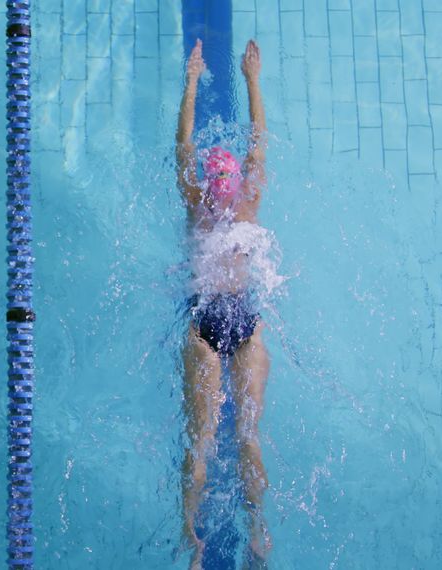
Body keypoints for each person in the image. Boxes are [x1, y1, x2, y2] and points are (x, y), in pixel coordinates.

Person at [176, 39, 271, 567]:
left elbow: (182, 148)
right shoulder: (250, 203)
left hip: (202, 322)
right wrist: (253, 79)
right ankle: (259, 534)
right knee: (249, 437)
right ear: (234, 187)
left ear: (209, 188)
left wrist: (191, 81)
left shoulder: (195, 205)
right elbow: (259, 142)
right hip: (246, 320)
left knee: (201, 445)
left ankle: (193, 546)